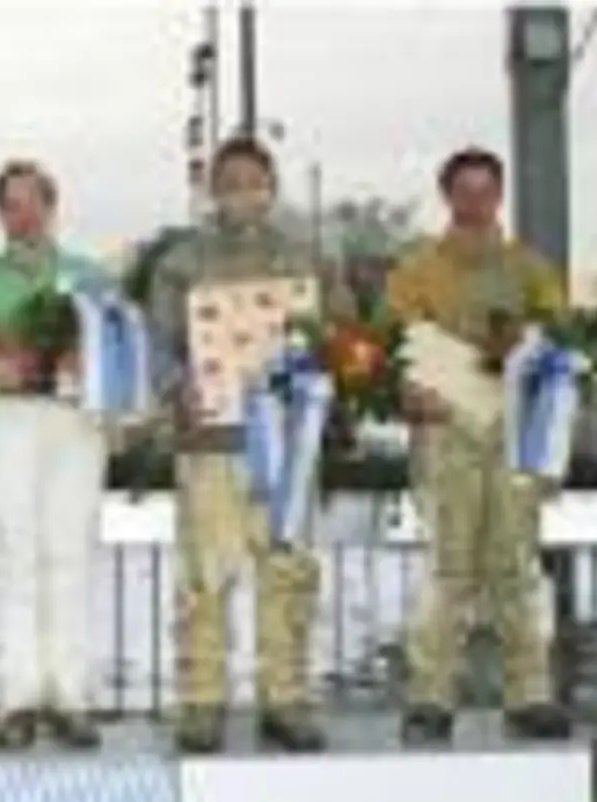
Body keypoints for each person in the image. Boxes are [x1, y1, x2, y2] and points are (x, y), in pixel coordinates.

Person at [146, 136, 341, 754]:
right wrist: (178, 388)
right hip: (210, 440)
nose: (242, 192)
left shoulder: (307, 260)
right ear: (212, 191)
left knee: (287, 570)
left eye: (254, 180)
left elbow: (340, 335)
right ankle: (202, 702)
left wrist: (328, 368)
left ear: (272, 186)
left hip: (288, 442)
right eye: (229, 181)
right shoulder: (180, 263)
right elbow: (158, 345)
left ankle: (286, 698)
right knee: (205, 572)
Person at [386, 147, 572, 745]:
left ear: (500, 195)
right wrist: (410, 389)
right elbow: (396, 347)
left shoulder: (533, 270)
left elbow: (559, 346)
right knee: (448, 567)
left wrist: (544, 369)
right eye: (464, 190)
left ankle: (530, 694)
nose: (476, 201)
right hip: (445, 432)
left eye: (486, 190)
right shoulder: (414, 271)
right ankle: (431, 697)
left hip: (514, 434)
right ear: (447, 196)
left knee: (516, 565)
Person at [0, 161, 119, 751]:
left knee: (70, 556)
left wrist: (88, 363)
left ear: (52, 204)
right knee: (15, 558)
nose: (23, 214)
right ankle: (17, 699)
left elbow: (119, 354)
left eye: (32, 201)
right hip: (7, 421)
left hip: (74, 423)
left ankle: (69, 698)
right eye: (10, 205)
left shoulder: (93, 277)